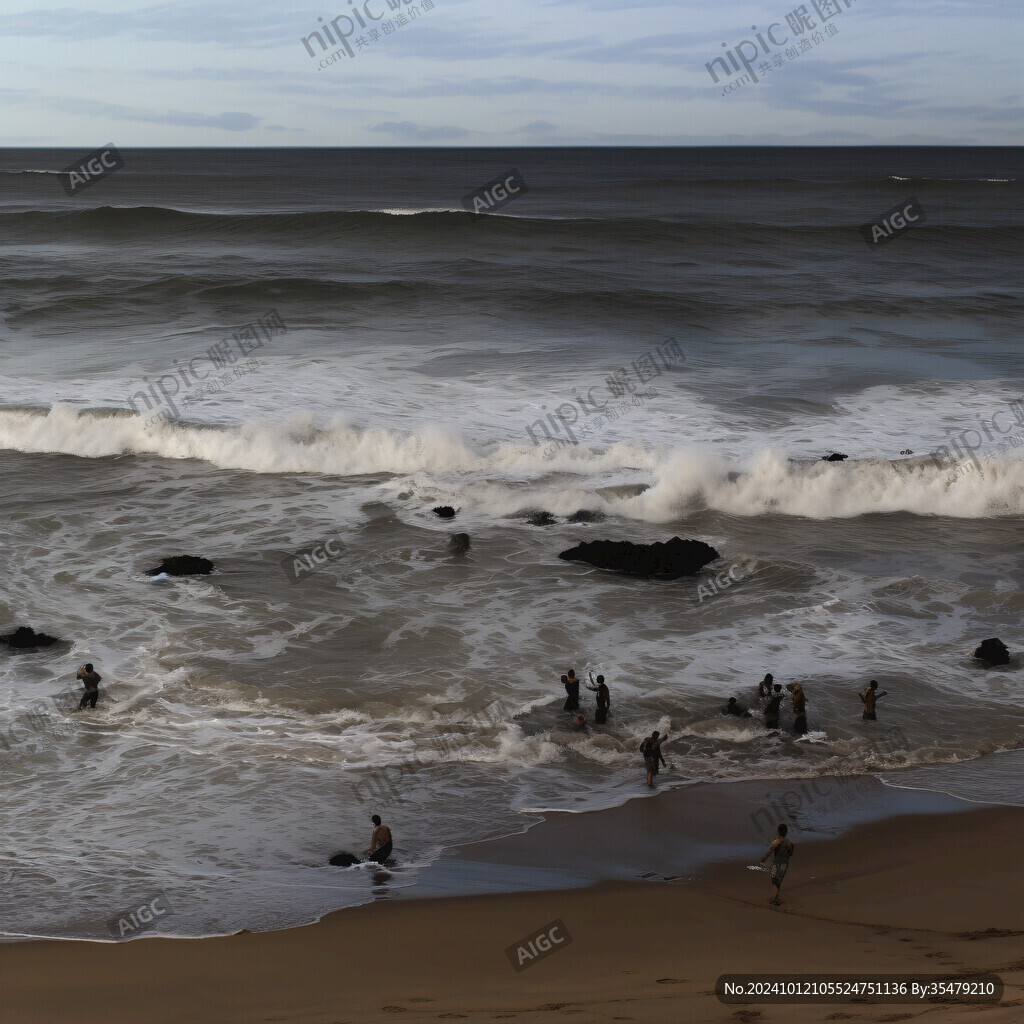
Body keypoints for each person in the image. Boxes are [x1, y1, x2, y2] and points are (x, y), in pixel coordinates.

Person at [759, 823, 794, 905]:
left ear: (778, 832)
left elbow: (770, 851)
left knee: (774, 880)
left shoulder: (776, 841)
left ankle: (775, 898)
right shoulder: (789, 842)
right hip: (785, 863)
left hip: (777, 863)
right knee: (779, 880)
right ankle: (775, 897)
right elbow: (790, 853)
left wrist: (764, 858)